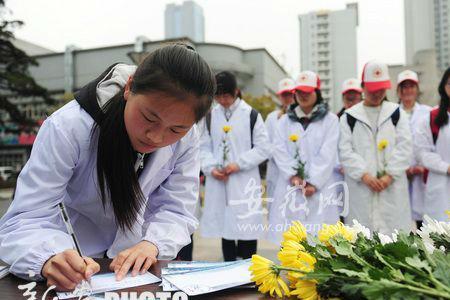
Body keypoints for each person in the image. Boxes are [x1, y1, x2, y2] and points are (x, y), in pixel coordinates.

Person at [0, 44, 216, 290]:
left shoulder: (188, 138)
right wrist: (47, 256)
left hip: (135, 270)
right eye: (149, 118)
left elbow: (177, 209)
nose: (156, 138)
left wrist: (152, 244)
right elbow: (26, 217)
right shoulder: (69, 127)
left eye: (176, 129)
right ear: (129, 87)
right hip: (74, 265)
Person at [199, 71, 271, 261]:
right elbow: (203, 147)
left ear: (236, 92)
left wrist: (238, 164)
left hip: (244, 180)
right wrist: (211, 168)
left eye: (226, 95)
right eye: (218, 96)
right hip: (219, 181)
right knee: (226, 228)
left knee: (247, 228)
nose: (222, 100)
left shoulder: (251, 115)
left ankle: (249, 273)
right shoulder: (210, 116)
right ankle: (229, 274)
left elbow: (263, 148)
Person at [339, 60, 413, 234]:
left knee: (394, 240)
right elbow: (345, 151)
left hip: (391, 187)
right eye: (373, 88)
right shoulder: (349, 117)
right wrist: (364, 175)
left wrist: (389, 175)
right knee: (362, 238)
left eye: (381, 88)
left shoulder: (396, 113)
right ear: (363, 87)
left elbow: (405, 146)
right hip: (361, 187)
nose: (378, 93)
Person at [268, 71, 340, 243]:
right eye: (300, 92)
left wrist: (313, 182)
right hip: (290, 186)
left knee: (321, 242)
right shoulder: (285, 121)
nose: (304, 96)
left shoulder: (330, 120)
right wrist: (294, 176)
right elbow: (279, 149)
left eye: (308, 91)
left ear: (317, 92)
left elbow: (328, 153)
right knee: (290, 243)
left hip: (320, 188)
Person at [396, 70, 431, 229]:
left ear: (417, 90)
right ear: (399, 91)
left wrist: (423, 165)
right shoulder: (391, 113)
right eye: (405, 87)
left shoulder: (428, 112)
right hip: (398, 173)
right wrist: (404, 168)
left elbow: (431, 144)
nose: (408, 90)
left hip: (422, 173)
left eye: (411, 86)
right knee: (400, 220)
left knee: (424, 220)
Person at [415, 67, 450, 222]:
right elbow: (422, 153)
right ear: (443, 87)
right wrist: (446, 167)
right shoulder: (432, 118)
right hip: (440, 188)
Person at [265, 78, 296, 200]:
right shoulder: (271, 118)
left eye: (290, 94)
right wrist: (278, 153)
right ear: (280, 97)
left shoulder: (301, 117)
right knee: (275, 208)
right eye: (284, 95)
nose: (287, 98)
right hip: (275, 170)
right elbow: (264, 144)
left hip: (295, 170)